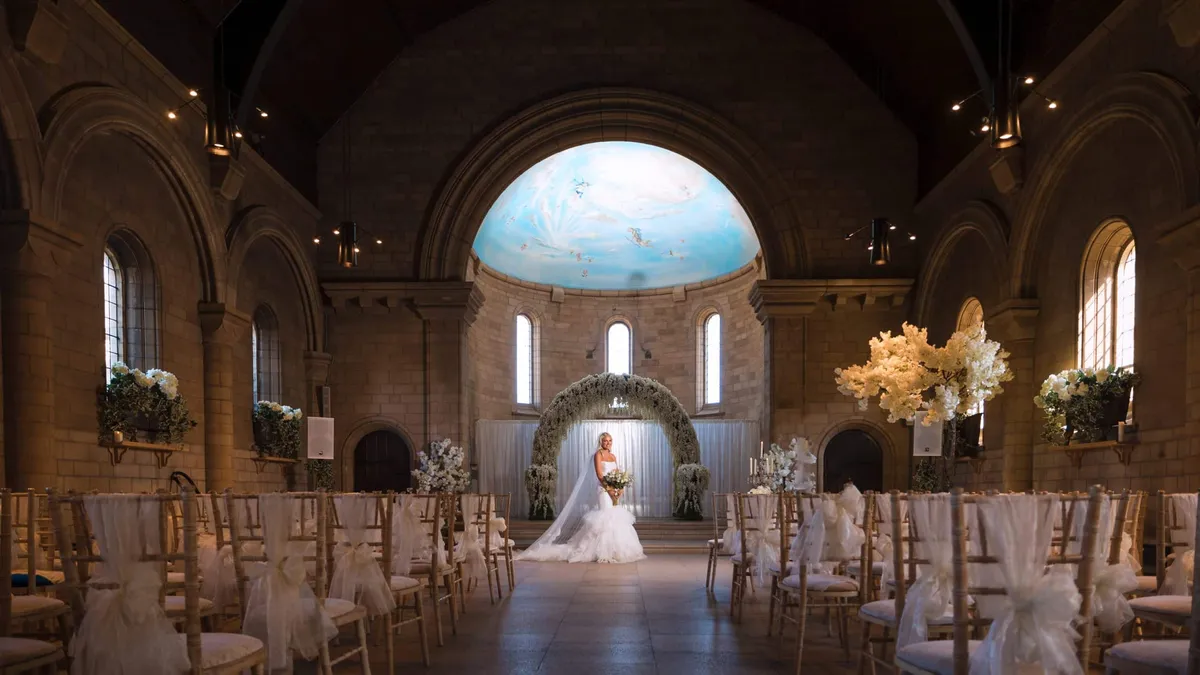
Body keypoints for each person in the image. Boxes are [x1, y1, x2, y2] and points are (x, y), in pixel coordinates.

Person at [516, 432, 646, 564]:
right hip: (603, 490)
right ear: (601, 442)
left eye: (610, 440)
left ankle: (615, 550)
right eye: (605, 441)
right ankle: (601, 551)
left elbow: (618, 474)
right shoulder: (598, 455)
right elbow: (600, 475)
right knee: (605, 516)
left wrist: (620, 489)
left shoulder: (613, 456)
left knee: (614, 517)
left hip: (614, 490)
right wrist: (610, 491)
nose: (608, 443)